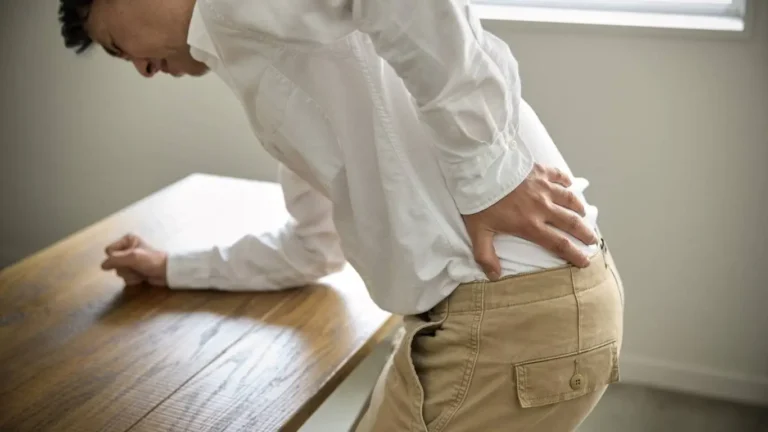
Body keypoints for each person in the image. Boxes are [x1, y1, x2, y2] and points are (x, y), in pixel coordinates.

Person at [59, 0, 625, 430]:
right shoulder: (260, 58)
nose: (141, 69)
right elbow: (313, 247)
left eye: (116, 45)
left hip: (511, 311)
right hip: (508, 311)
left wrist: (488, 177)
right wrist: (172, 268)